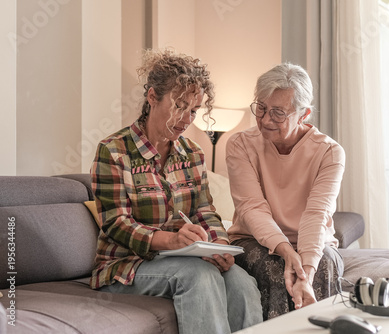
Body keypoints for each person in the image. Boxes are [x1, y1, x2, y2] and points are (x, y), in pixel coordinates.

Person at [90, 48, 262, 334]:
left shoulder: (192, 153)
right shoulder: (114, 151)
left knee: (241, 280)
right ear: (152, 97)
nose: (187, 118)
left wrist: (218, 244)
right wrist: (171, 241)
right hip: (125, 266)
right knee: (199, 276)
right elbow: (116, 223)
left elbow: (204, 210)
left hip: (182, 259)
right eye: (180, 105)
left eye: (194, 110)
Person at [226, 63, 345, 320]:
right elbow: (251, 208)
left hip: (311, 241)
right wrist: (287, 252)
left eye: (278, 113)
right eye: (261, 108)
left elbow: (316, 214)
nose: (266, 119)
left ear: (304, 114)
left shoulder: (329, 152)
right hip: (253, 239)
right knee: (274, 269)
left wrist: (306, 271)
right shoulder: (240, 145)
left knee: (324, 264)